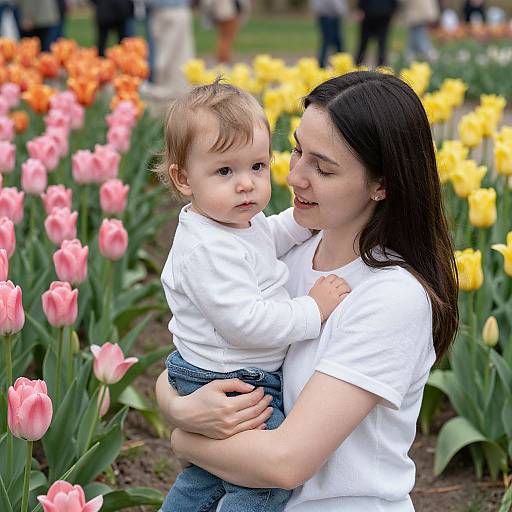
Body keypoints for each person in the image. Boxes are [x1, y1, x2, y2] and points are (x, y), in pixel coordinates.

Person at [156, 71, 459, 512]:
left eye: (323, 167)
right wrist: (181, 408)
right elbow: (203, 354)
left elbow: (284, 464)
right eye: (296, 150)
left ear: (381, 184)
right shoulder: (284, 252)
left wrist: (182, 435)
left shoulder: (392, 297)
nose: (295, 176)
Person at [155, 80, 350, 512]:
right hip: (229, 381)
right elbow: (244, 322)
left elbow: (268, 238)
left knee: (208, 476)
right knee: (261, 481)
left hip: (217, 373)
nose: (246, 184)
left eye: (257, 167)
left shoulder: (231, 221)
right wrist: (311, 310)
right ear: (183, 179)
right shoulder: (207, 250)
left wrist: (302, 224)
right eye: (225, 171)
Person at [141, 0, 194, 99]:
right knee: (169, 54)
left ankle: (172, 89)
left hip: (169, 9)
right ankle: (170, 88)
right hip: (165, 10)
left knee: (171, 54)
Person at [355, 0, 397, 67]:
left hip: (379, 15)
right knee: (367, 42)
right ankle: (359, 63)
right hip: (373, 15)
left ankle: (380, 65)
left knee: (379, 43)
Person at [311, 0, 347, 68]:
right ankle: (324, 63)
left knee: (334, 42)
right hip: (330, 16)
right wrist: (340, 12)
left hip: (327, 16)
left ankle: (340, 62)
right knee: (330, 41)